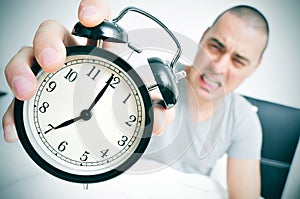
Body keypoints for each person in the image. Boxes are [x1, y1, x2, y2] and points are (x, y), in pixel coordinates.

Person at [2, 0, 269, 198]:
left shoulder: (244, 119)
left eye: (239, 60)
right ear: (203, 36)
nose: (219, 66)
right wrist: (66, 80)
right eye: (216, 46)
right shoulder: (139, 78)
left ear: (254, 67)